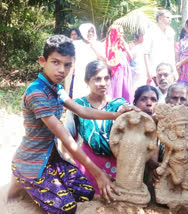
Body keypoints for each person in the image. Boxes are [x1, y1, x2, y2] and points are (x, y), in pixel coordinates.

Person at [6, 35, 137, 213]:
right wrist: (98, 173)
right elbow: (66, 138)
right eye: (56, 62)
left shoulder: (57, 88)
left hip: (50, 158)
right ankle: (22, 179)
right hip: (32, 161)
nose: (62, 70)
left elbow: (83, 111)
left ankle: (33, 184)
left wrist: (116, 115)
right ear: (42, 61)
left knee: (86, 192)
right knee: (67, 208)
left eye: (67, 65)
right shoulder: (36, 92)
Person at [64, 60, 127, 195]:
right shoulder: (77, 106)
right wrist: (71, 165)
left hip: (117, 164)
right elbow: (67, 137)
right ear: (87, 81)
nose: (103, 83)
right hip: (87, 164)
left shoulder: (119, 105)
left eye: (106, 78)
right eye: (97, 79)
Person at [72, 23, 106, 99]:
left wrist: (93, 46)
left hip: (94, 73)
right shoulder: (76, 44)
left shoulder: (98, 44)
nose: (90, 33)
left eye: (92, 31)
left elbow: (103, 58)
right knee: (80, 94)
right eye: (88, 31)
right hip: (80, 73)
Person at [144, 9, 177, 84]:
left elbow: (172, 53)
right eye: (167, 17)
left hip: (168, 70)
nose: (169, 20)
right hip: (154, 69)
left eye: (170, 18)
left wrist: (174, 70)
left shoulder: (171, 32)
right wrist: (148, 71)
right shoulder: (151, 31)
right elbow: (146, 53)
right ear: (160, 18)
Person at [106, 25, 134, 103]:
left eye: (122, 33)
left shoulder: (124, 45)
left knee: (126, 91)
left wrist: (126, 48)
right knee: (116, 92)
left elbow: (131, 58)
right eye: (120, 33)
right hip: (115, 73)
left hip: (125, 73)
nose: (122, 35)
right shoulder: (109, 45)